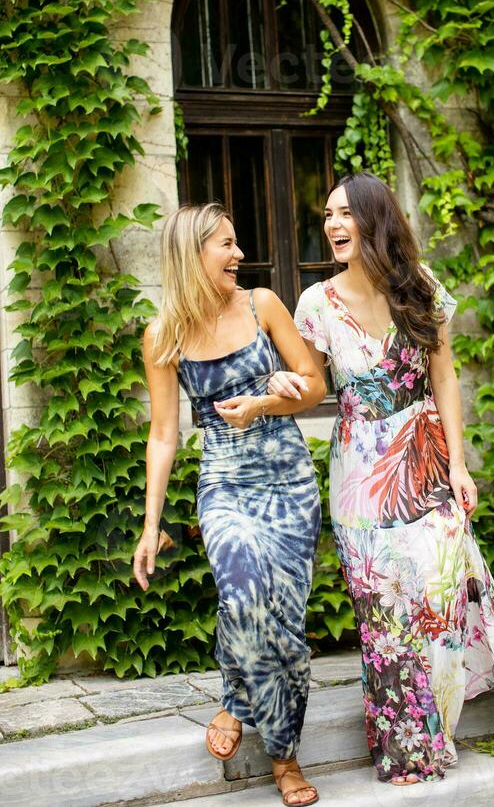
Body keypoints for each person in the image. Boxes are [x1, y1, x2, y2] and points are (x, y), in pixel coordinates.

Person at [268, 171, 494, 785]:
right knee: (387, 611)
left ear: (374, 218)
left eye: (345, 214)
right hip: (361, 472)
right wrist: (274, 393)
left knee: (442, 590)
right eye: (328, 216)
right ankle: (405, 750)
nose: (333, 225)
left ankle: (437, 727)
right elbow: (312, 387)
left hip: (425, 456)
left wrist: (459, 463)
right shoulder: (315, 303)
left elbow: (445, 379)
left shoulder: (419, 287)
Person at [132, 203, 325, 807]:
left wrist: (270, 400)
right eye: (226, 244)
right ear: (193, 255)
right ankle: (285, 759)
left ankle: (243, 706)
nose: (239, 255)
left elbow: (315, 383)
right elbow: (164, 434)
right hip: (225, 485)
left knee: (285, 622)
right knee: (241, 595)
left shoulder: (262, 305)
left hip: (289, 483)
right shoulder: (162, 335)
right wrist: (150, 524)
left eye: (237, 243)